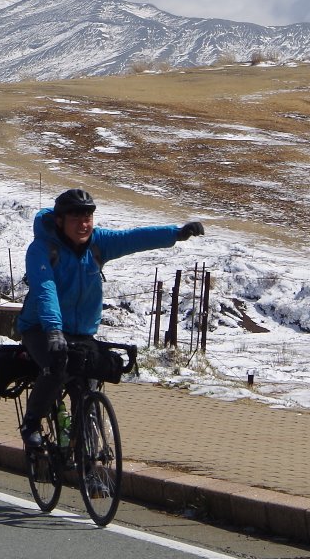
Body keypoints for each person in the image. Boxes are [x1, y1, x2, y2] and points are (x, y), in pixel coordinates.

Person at [15, 188, 202, 448]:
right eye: (76, 219)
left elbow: (132, 239)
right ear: (59, 221)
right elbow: (45, 290)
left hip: (81, 331)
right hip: (41, 327)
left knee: (90, 383)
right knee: (56, 368)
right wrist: (54, 330)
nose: (83, 225)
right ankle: (32, 422)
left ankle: (87, 456)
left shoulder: (97, 243)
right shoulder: (42, 249)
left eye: (88, 218)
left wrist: (176, 234)